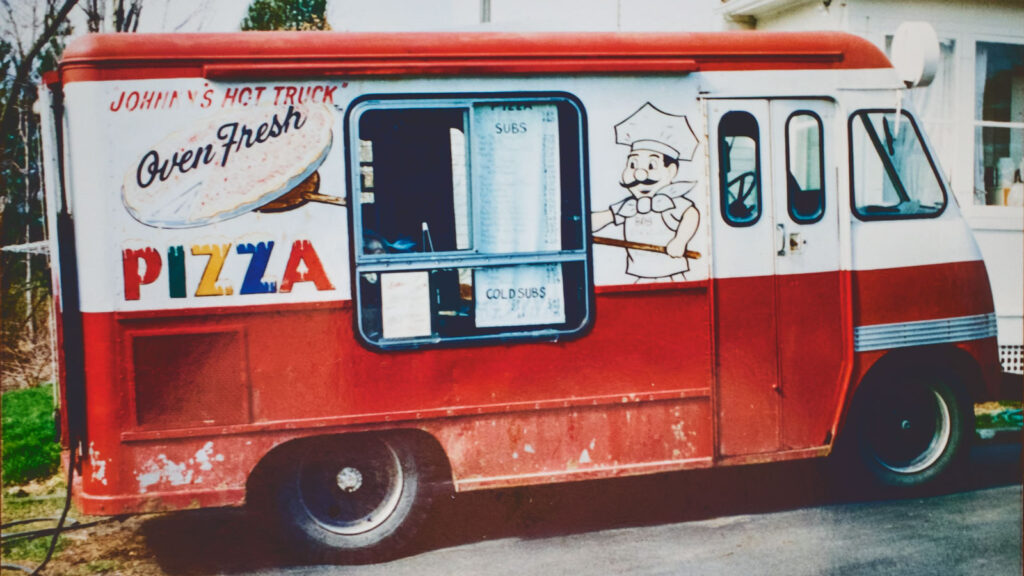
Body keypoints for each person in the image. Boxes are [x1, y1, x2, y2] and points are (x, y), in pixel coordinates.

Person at [593, 103, 700, 282]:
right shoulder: (628, 206)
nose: (639, 174)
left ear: (671, 171)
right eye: (633, 165)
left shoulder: (673, 202)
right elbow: (604, 217)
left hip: (672, 275)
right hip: (641, 274)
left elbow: (691, 215)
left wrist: (680, 241)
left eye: (651, 166)